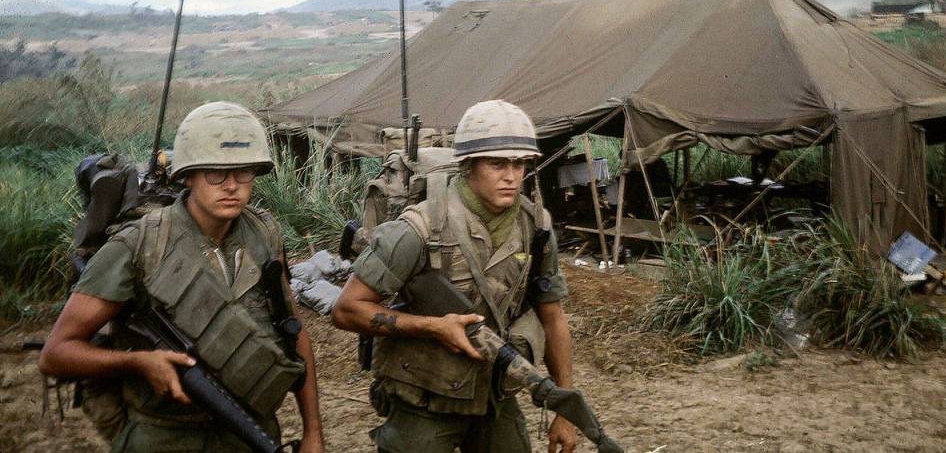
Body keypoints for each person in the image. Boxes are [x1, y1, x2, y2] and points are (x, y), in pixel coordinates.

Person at [39, 101, 324, 452]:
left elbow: (294, 330)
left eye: (243, 172)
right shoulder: (140, 244)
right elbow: (56, 354)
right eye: (215, 174)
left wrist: (313, 432)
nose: (232, 186)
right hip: (164, 436)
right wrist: (139, 362)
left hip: (248, 430)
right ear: (187, 175)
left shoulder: (264, 234)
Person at [332, 99, 577, 453]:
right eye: (497, 164)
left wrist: (564, 410)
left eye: (520, 164)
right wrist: (432, 326)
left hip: (495, 394)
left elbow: (552, 317)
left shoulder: (535, 227)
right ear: (469, 166)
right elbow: (347, 310)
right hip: (426, 398)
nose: (511, 176)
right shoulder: (419, 227)